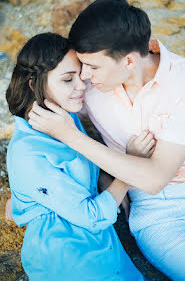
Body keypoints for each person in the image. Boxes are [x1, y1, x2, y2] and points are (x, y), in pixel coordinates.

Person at [27, 0, 185, 281]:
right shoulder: (86, 89)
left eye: (92, 66)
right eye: (81, 64)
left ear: (129, 61)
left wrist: (73, 137)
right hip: (162, 217)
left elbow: (156, 175)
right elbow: (34, 110)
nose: (84, 76)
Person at [5, 32, 147, 281]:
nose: (82, 85)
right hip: (67, 257)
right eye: (68, 79)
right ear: (33, 84)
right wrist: (124, 175)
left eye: (81, 76)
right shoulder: (27, 153)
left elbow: (79, 161)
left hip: (101, 247)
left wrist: (102, 177)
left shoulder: (63, 116)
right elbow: (92, 217)